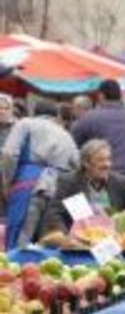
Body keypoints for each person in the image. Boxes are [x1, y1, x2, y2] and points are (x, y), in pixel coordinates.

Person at [0, 101, 80, 248]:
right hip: (58, 190)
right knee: (47, 241)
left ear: (34, 112)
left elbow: (9, 154)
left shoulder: (25, 123)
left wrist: (5, 183)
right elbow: (78, 165)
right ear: (57, 116)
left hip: (28, 186)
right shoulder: (66, 135)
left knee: (20, 240)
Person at [41, 139, 125, 241]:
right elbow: (55, 213)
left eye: (108, 159)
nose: (107, 164)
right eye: (100, 160)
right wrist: (64, 238)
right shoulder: (69, 182)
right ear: (86, 163)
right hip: (78, 240)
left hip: (113, 241)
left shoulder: (120, 183)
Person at [71, 80, 125, 185]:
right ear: (120, 96)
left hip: (99, 181)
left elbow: (73, 146)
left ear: (101, 96)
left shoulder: (88, 119)